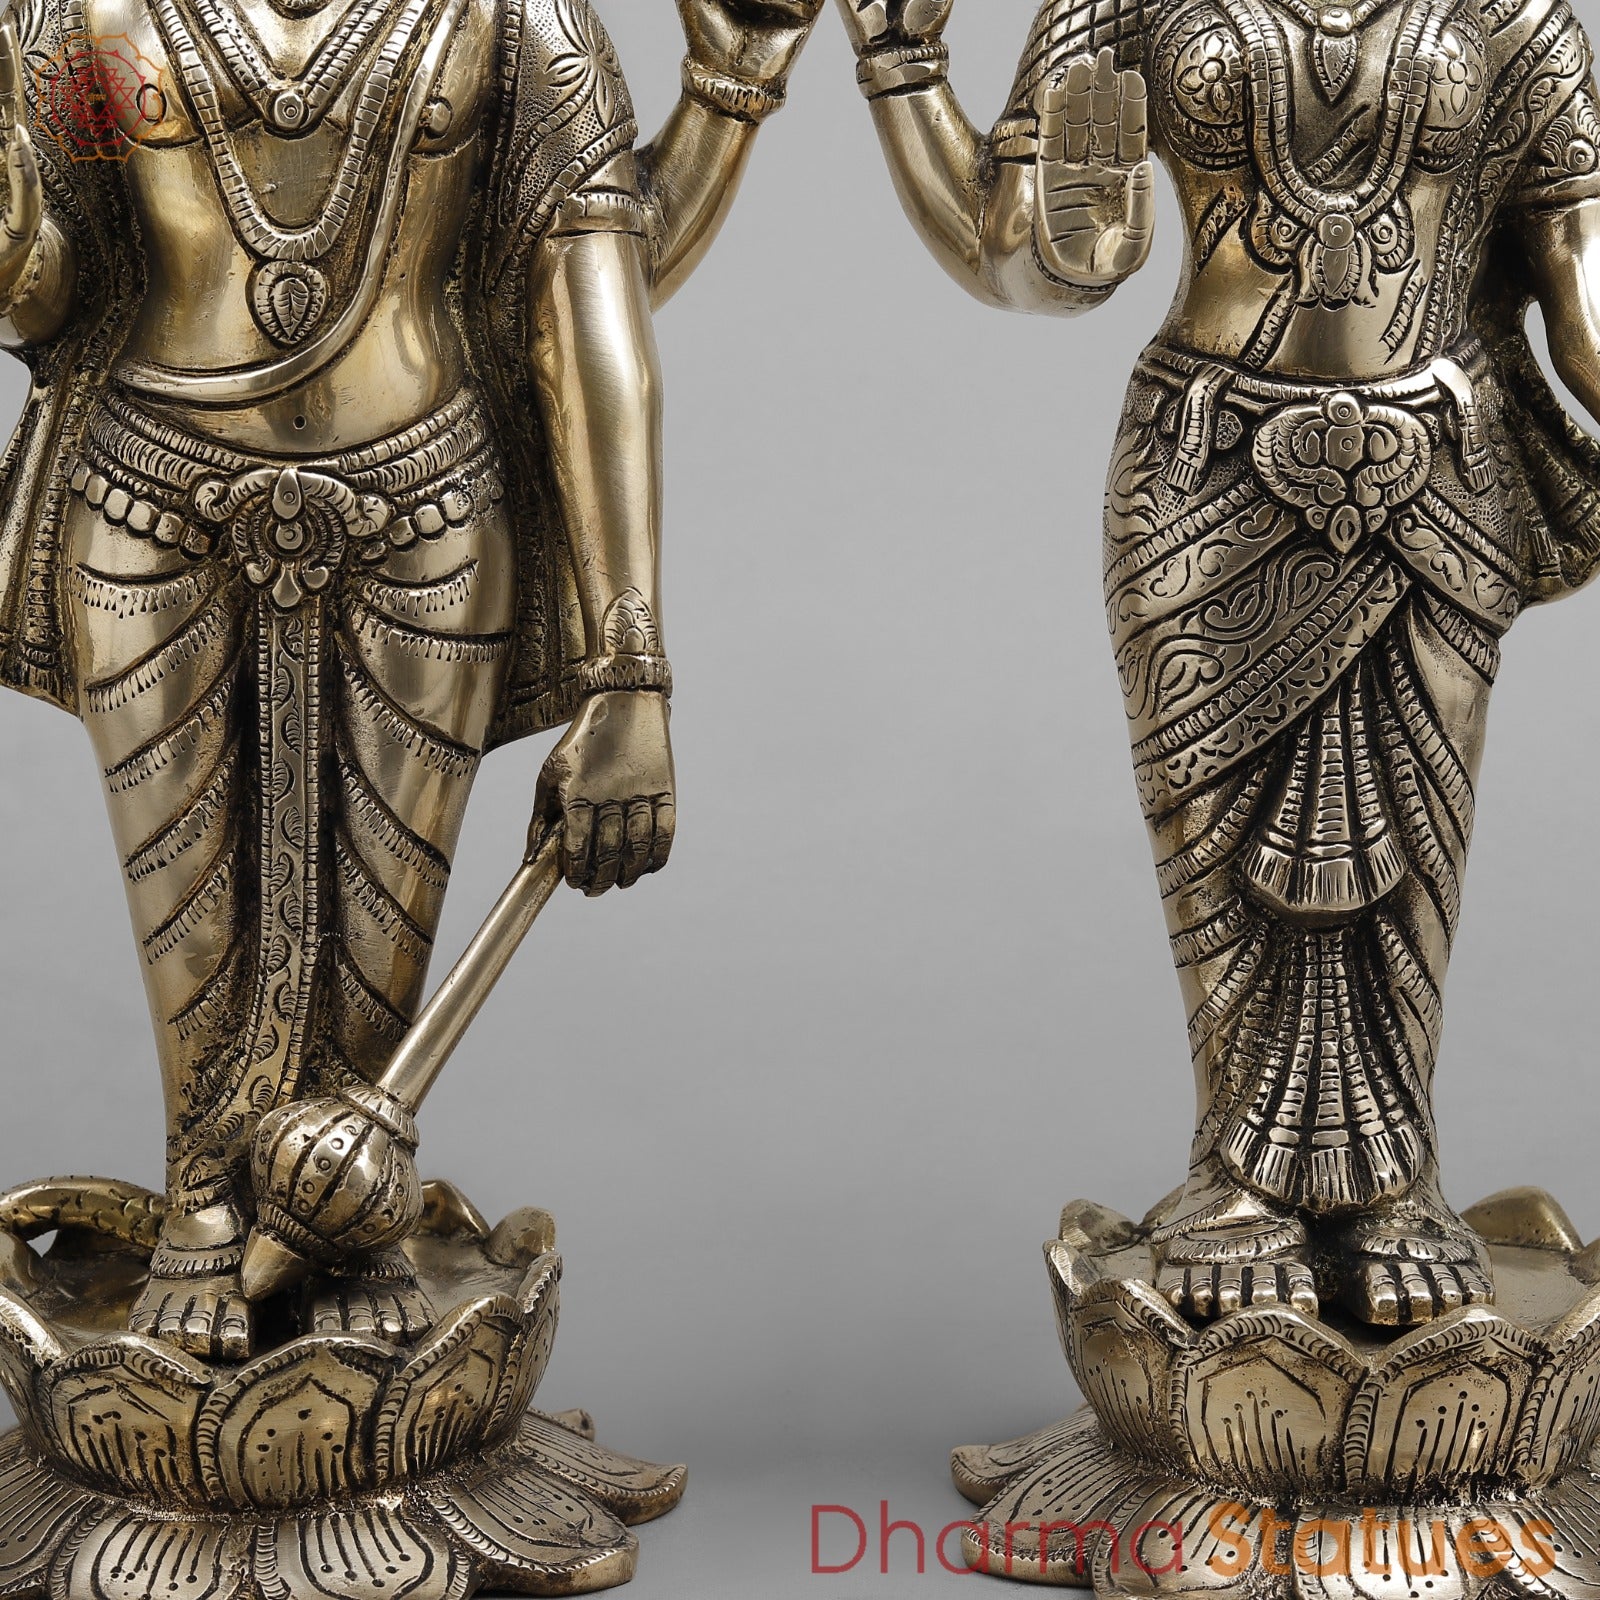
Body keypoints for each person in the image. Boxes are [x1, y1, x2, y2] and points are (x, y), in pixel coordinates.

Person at [0, 0, 820, 1360]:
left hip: (425, 511)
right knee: (188, 913)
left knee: (385, 916)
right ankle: (206, 1197)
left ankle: (347, 1225)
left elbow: (590, 307)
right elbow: (50, 291)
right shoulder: (86, 14)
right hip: (151, 502)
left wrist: (630, 673)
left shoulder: (510, 16)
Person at [837, 0, 1600, 1325]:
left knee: (1416, 840)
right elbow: (1043, 261)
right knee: (1217, 841)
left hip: (1435, 476)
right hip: (1207, 471)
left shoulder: (1510, 15)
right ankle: (1238, 1177)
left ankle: (1394, 1185)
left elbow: (1581, 277)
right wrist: (904, 70)